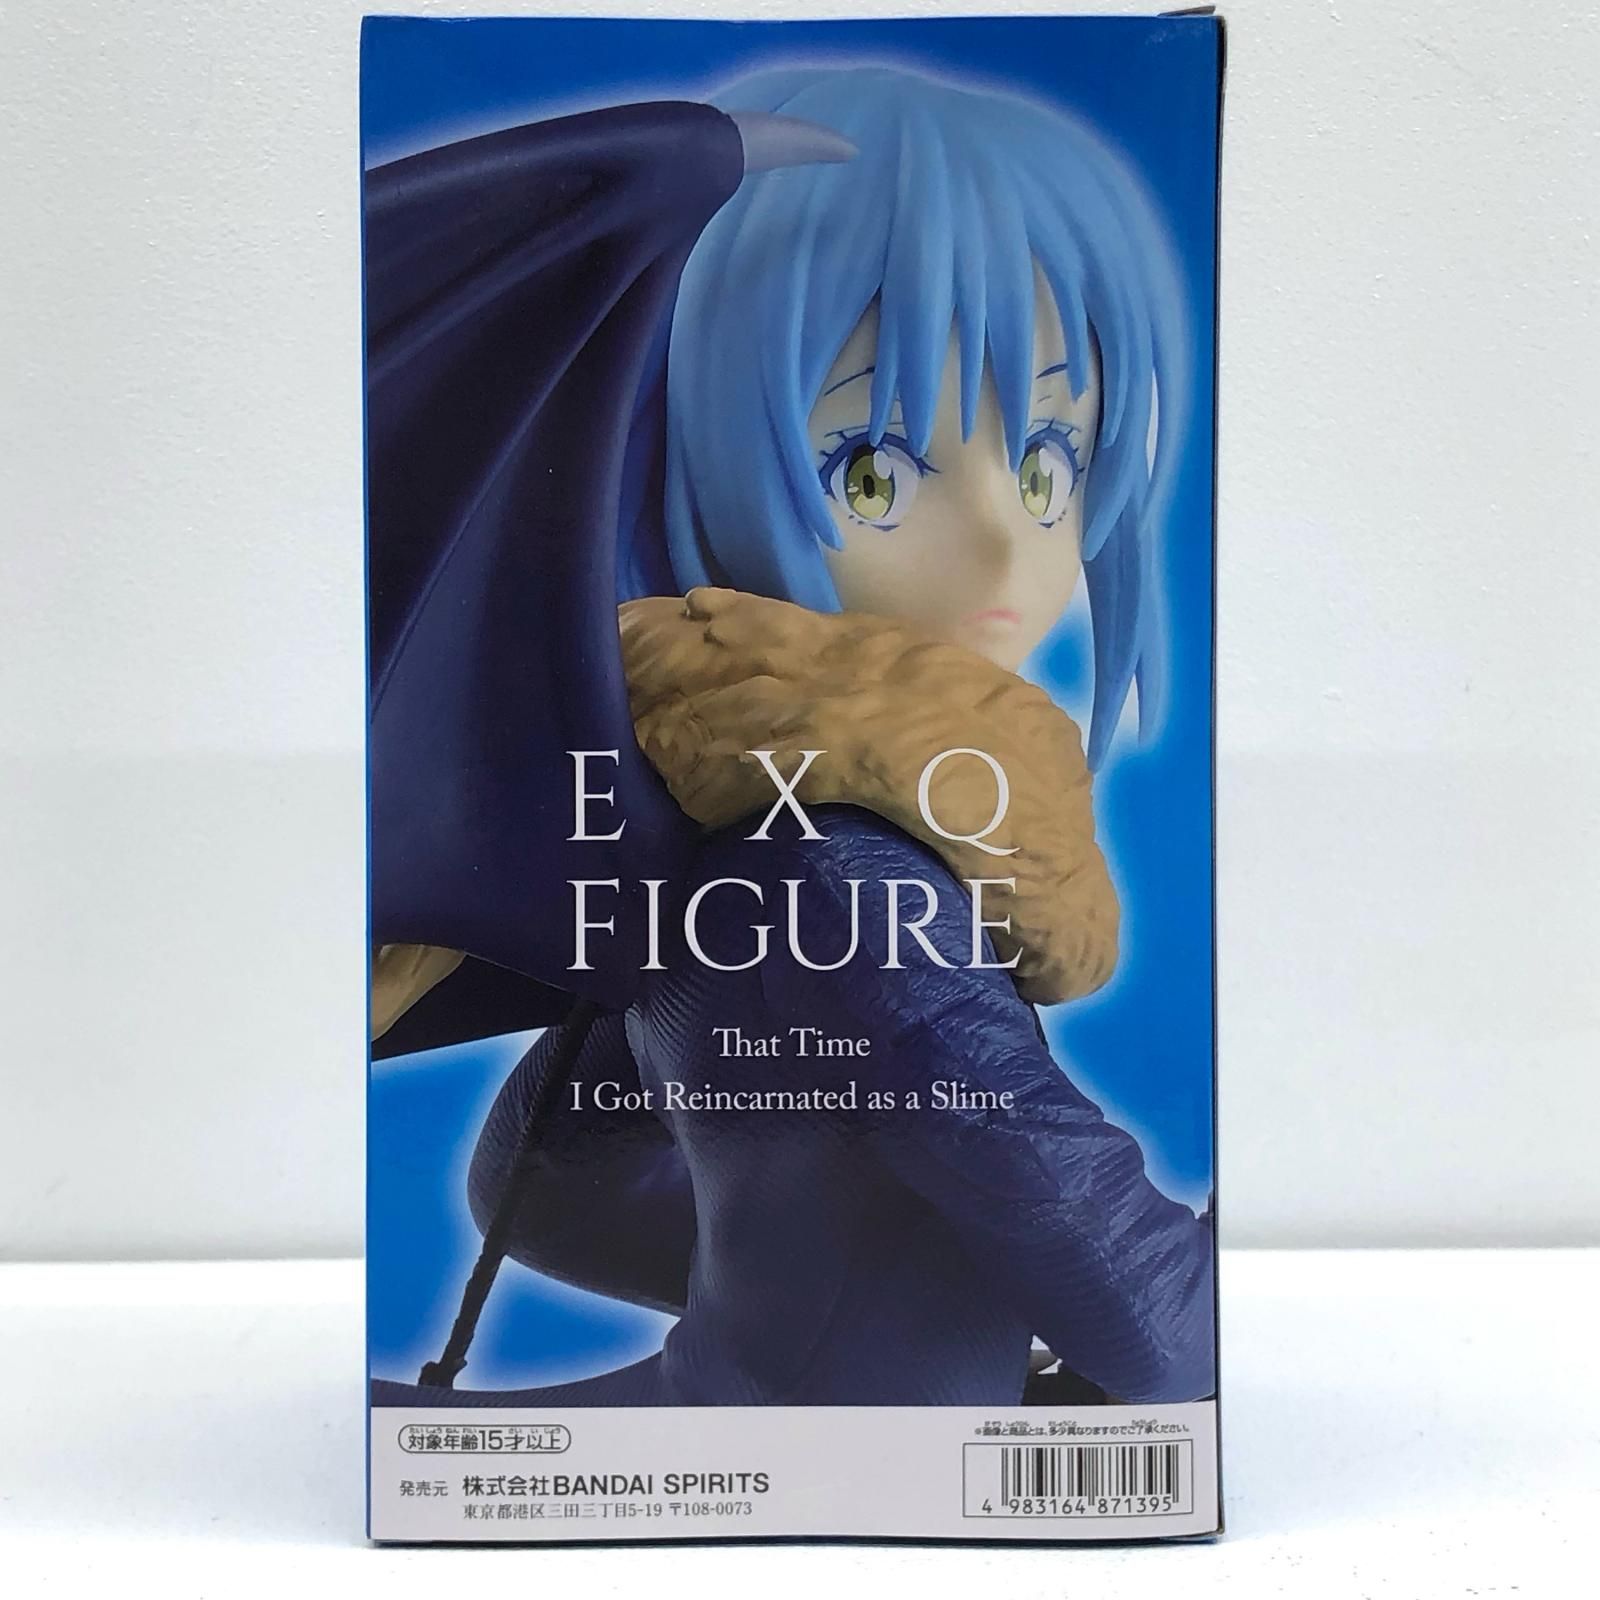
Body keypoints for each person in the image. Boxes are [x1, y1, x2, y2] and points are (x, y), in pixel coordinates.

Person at [369, 65, 1213, 1409]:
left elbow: (548, 1178)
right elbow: (1159, 1327)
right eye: (873, 471)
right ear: (684, 447)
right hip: (849, 1463)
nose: (1005, 544)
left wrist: (870, 1275)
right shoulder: (857, 872)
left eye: (1049, 461)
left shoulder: (695, 796)